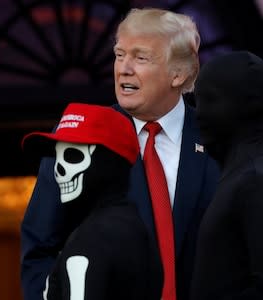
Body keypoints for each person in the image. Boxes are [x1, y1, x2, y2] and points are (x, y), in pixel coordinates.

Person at [20, 8, 219, 300]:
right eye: (119, 54)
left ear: (179, 73)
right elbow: (39, 249)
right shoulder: (79, 138)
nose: (123, 68)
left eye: (140, 58)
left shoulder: (218, 139)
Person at [22, 103, 162, 299]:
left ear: (107, 162)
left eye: (72, 155)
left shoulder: (86, 243)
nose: (57, 170)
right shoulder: (141, 233)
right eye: (57, 157)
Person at [190, 51, 263, 299]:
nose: (199, 113)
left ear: (250, 105)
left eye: (211, 100)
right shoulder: (239, 179)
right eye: (197, 101)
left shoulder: (256, 182)